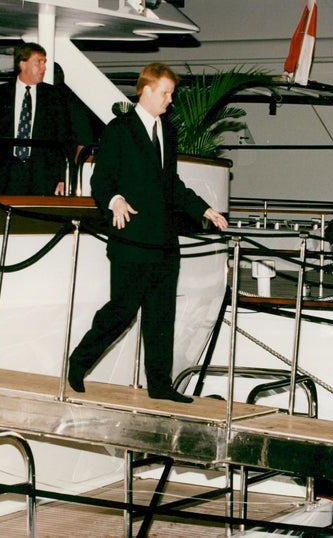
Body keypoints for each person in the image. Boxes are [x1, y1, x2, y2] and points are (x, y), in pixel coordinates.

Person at [67, 62, 228, 402]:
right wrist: (115, 200)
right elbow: (101, 180)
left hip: (165, 241)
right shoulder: (119, 130)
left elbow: (171, 183)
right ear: (146, 90)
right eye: (165, 93)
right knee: (122, 312)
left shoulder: (166, 131)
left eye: (171, 93)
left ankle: (159, 385)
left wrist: (203, 208)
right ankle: (79, 362)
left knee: (160, 316)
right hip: (131, 240)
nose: (170, 100)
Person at [0, 42, 71, 196]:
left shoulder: (55, 96)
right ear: (22, 64)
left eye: (44, 62)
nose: (44, 67)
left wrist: (62, 177)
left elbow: (62, 137)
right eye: (38, 62)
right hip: (8, 175)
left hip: (44, 176)